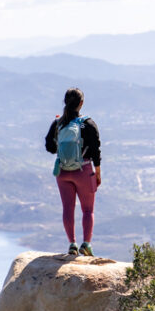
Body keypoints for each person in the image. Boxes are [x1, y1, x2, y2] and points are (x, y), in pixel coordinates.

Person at [45, 87, 101, 256]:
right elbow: (96, 150)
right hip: (83, 170)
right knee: (88, 210)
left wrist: (63, 149)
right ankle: (86, 244)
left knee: (68, 208)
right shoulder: (88, 123)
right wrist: (97, 172)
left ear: (65, 102)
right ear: (81, 104)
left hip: (62, 172)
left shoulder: (58, 123)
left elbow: (49, 146)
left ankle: (72, 244)